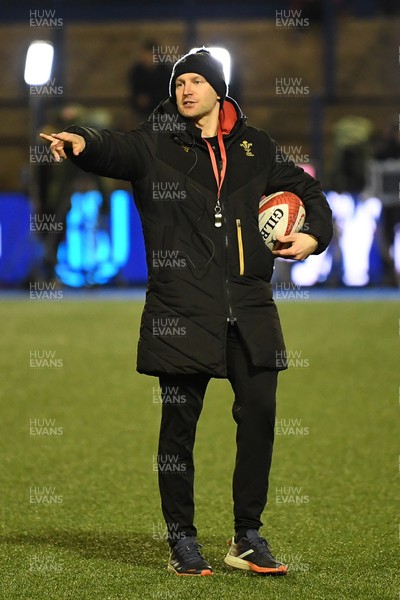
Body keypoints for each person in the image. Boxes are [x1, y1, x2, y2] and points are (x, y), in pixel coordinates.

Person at [41, 48, 333, 577]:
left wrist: (312, 237)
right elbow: (114, 149)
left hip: (249, 306)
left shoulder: (256, 147)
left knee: (261, 419)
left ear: (218, 89)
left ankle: (247, 537)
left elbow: (309, 191)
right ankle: (182, 540)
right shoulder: (155, 144)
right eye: (180, 82)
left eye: (197, 81)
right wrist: (83, 141)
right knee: (179, 429)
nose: (186, 89)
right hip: (180, 308)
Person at [128, 40, 172, 121]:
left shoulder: (165, 71)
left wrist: (151, 99)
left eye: (150, 55)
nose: (147, 58)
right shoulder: (137, 72)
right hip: (142, 113)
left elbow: (167, 93)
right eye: (145, 54)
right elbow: (134, 89)